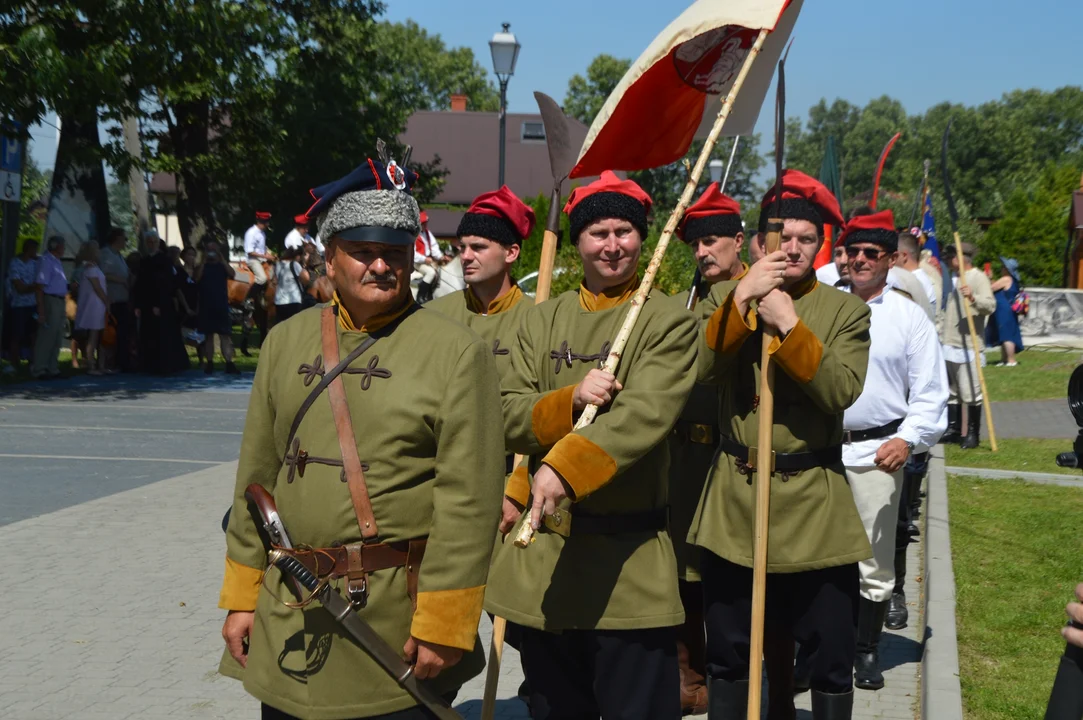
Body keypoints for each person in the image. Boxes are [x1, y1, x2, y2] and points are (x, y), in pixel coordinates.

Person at [219, 155, 504, 719]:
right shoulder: (285, 340)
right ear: (331, 256)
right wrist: (241, 597)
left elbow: (468, 504)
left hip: (390, 622)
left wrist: (445, 623)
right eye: (363, 252)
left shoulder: (455, 352)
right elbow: (256, 481)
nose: (380, 266)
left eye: (394, 253)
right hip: (290, 610)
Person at [485, 171, 698, 720]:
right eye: (598, 231)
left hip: (629, 571)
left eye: (624, 231)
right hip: (546, 568)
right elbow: (505, 411)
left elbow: (645, 414)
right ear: (578, 241)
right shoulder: (540, 320)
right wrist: (569, 398)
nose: (612, 244)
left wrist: (562, 467)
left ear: (641, 239)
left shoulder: (667, 321)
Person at [691, 169, 872, 719]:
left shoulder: (846, 312)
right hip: (735, 503)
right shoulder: (724, 298)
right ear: (758, 242)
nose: (792, 248)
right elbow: (698, 370)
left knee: (830, 652)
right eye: (781, 235)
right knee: (727, 651)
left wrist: (790, 324)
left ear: (823, 247)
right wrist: (743, 301)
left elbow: (840, 389)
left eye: (805, 239)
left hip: (814, 504)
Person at [836, 210, 947, 690]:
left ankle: (864, 650)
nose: (859, 260)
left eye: (870, 253)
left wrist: (907, 439)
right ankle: (817, 650)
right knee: (813, 560)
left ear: (889, 260)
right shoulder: (821, 305)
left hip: (877, 453)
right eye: (852, 251)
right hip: (814, 454)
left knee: (872, 563)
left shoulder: (908, 316)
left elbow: (931, 393)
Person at [667, 182, 749, 716]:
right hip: (678, 461)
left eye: (714, 240)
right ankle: (686, 673)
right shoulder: (680, 304)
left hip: (731, 458)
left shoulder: (760, 298)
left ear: (739, 242)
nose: (702, 252)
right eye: (695, 244)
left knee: (728, 577)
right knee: (677, 573)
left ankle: (735, 677)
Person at [426, 185, 536, 386]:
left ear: (511, 253)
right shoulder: (434, 315)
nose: (465, 256)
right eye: (462, 247)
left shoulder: (537, 319)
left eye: (478, 247)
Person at [940, 242, 995, 450]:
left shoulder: (977, 277)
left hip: (969, 343)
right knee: (952, 390)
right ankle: (953, 429)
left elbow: (990, 305)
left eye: (951, 256)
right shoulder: (952, 279)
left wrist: (973, 297)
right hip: (950, 341)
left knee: (970, 389)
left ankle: (973, 433)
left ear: (962, 258)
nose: (947, 260)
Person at [132, 231, 189, 375]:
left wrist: (158, 304)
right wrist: (137, 305)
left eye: (154, 242)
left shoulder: (164, 260)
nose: (151, 245)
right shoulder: (144, 261)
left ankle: (164, 366)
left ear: (158, 243)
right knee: (147, 335)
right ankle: (149, 365)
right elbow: (140, 284)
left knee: (162, 336)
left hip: (161, 303)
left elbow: (165, 284)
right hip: (146, 304)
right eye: (148, 242)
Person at [195, 238, 239, 375]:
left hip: (221, 305)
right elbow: (196, 278)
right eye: (209, 250)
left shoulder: (222, 266)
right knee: (208, 336)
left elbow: (233, 274)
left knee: (224, 335)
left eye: (214, 250)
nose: (211, 253)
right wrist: (203, 261)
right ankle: (209, 363)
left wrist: (222, 259)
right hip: (206, 305)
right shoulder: (202, 266)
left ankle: (229, 363)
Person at [31, 235, 70, 380]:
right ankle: (39, 369)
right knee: (47, 336)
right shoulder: (46, 261)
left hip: (59, 300)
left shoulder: (57, 261)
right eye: (62, 245)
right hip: (50, 300)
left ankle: (52, 368)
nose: (65, 248)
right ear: (56, 246)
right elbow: (40, 287)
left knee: (57, 336)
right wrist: (41, 311)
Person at [73, 242, 110, 375]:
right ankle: (91, 365)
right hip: (94, 304)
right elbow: (97, 287)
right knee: (94, 336)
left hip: (97, 304)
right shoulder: (91, 269)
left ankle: (100, 365)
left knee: (100, 335)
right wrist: (106, 300)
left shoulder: (93, 267)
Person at [4, 239, 39, 374]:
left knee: (33, 335)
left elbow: (38, 283)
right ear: (28, 249)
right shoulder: (15, 263)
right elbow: (19, 287)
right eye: (34, 250)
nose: (35, 253)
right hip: (18, 305)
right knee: (16, 335)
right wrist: (33, 287)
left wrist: (30, 287)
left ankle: (33, 362)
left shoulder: (35, 264)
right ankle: (14, 362)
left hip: (32, 304)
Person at [100, 228, 132, 372]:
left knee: (124, 332)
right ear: (117, 239)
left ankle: (123, 362)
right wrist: (121, 280)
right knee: (113, 332)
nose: (126, 242)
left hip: (123, 298)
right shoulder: (106, 253)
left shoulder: (119, 255)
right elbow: (103, 274)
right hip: (112, 299)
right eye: (125, 239)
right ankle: (110, 362)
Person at [986, 257, 1024, 367]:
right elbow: (996, 286)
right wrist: (991, 278)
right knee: (1003, 334)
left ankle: (1011, 360)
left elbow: (991, 288)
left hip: (1005, 310)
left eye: (1003, 267)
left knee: (1007, 335)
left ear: (1007, 269)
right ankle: (1004, 359)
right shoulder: (1009, 280)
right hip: (1005, 309)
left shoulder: (1006, 279)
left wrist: (989, 278)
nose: (1001, 268)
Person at [895, 232, 937, 318]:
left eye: (894, 255)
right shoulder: (915, 278)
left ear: (904, 255)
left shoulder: (914, 281)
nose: (891, 258)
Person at [412, 210, 445, 302]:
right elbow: (413, 254)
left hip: (428, 260)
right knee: (431, 273)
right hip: (418, 262)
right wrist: (424, 259)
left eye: (425, 223)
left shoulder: (427, 233)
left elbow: (434, 247)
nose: (425, 225)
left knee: (440, 271)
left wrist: (440, 256)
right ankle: (420, 296)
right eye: (423, 223)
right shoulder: (414, 235)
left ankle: (430, 293)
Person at [273, 245, 310, 324]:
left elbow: (275, 281)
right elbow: (306, 279)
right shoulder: (295, 264)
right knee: (294, 326)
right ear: (297, 256)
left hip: (279, 301)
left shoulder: (278, 264)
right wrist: (304, 267)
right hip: (293, 300)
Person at [243, 211, 275, 298]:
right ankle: (249, 299)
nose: (268, 224)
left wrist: (270, 255)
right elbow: (250, 251)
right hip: (252, 260)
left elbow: (262, 248)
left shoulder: (262, 233)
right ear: (262, 222)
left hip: (262, 259)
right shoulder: (251, 233)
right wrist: (265, 256)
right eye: (267, 222)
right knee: (262, 278)